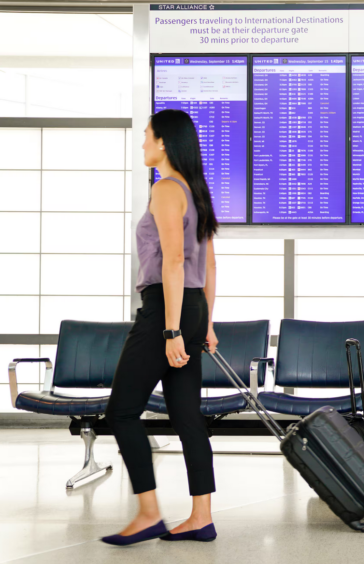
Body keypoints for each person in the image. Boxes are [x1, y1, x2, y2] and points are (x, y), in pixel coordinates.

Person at [102, 109, 220, 545]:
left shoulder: (166, 189)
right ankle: (200, 516)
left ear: (165, 142)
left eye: (147, 136)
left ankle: (149, 513)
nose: (143, 144)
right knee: (187, 415)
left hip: (165, 308)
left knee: (122, 412)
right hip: (190, 307)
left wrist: (171, 330)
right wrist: (203, 323)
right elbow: (208, 265)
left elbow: (173, 260)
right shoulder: (197, 191)